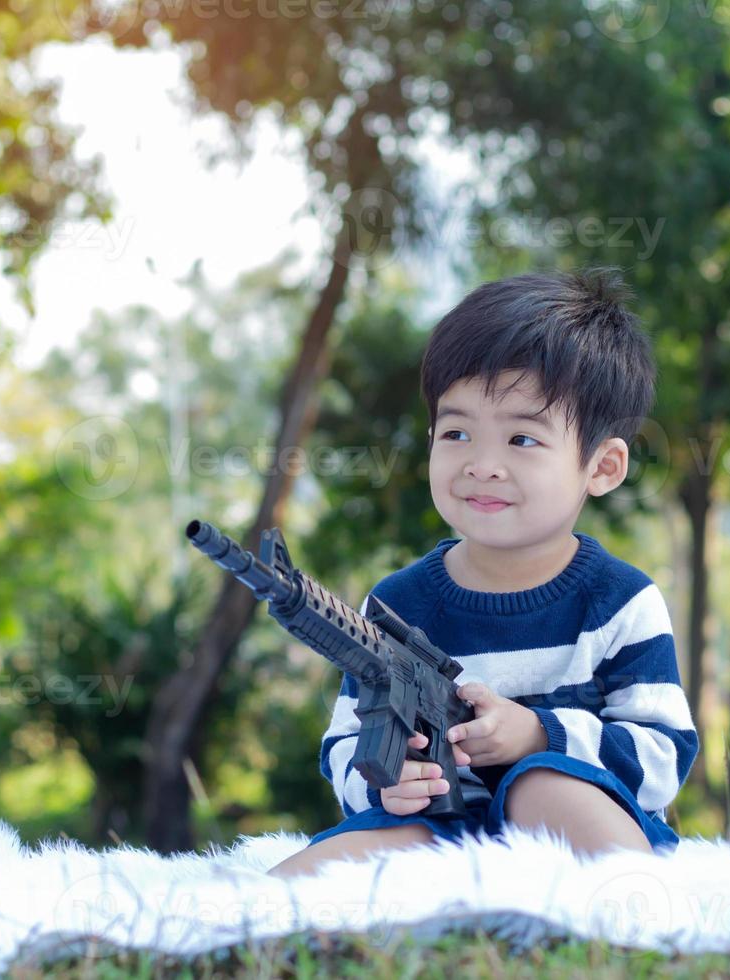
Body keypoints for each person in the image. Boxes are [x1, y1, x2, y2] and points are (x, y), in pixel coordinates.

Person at [268, 268, 698, 879]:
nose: (483, 465)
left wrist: (539, 737)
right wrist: (387, 786)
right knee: (304, 875)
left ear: (601, 466)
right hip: (437, 831)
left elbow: (664, 755)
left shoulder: (620, 600)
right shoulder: (398, 604)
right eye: (458, 432)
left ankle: (633, 920)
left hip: (571, 835)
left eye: (523, 438)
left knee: (541, 788)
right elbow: (343, 744)